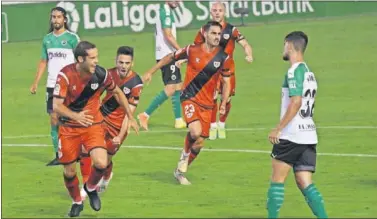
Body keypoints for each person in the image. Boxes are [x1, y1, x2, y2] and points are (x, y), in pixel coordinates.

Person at [53, 41, 139, 217]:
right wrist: (76, 116)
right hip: (69, 128)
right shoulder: (66, 75)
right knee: (69, 172)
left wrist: (130, 117)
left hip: (93, 124)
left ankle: (90, 188)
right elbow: (56, 105)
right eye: (92, 58)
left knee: (101, 163)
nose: (96, 61)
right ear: (80, 59)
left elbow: (117, 92)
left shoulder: (101, 74)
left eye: (96, 57)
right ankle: (77, 201)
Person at [143, 21, 231, 185]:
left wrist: (224, 102)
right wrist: (151, 71)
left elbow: (227, 82)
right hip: (189, 97)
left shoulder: (223, 57)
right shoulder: (192, 50)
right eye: (213, 33)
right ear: (205, 34)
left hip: (208, 105)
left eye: (219, 34)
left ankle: (180, 170)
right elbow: (171, 56)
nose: (216, 37)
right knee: (195, 131)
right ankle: (184, 156)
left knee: (198, 144)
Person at [266, 31, 327, 219]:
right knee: (304, 181)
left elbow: (296, 102)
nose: (283, 49)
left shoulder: (294, 71)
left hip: (291, 135)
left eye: (284, 45)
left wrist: (278, 127)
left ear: (289, 46)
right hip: (309, 135)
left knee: (277, 182)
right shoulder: (309, 73)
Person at [80, 46, 143, 199]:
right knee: (85, 150)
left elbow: (129, 115)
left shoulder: (136, 83)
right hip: (101, 119)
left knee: (106, 161)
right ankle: (86, 186)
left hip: (118, 126)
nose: (123, 66)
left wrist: (120, 137)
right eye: (120, 62)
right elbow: (95, 96)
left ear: (132, 63)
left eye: (127, 63)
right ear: (116, 61)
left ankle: (107, 177)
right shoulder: (107, 75)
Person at [194, 1, 253, 140]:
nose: (217, 12)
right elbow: (195, 47)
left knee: (227, 99)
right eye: (214, 10)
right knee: (212, 98)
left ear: (224, 12)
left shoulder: (231, 30)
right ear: (210, 12)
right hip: (211, 70)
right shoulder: (204, 30)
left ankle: (222, 124)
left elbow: (245, 43)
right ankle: (213, 126)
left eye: (219, 10)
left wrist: (248, 53)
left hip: (228, 69)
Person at [30, 7, 80, 166]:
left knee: (71, 119)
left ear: (64, 19)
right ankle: (59, 155)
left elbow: (80, 61)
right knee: (54, 118)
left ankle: (76, 151)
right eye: (53, 17)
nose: (56, 20)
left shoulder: (72, 38)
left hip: (70, 85)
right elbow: (43, 61)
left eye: (59, 17)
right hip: (52, 85)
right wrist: (36, 82)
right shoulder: (47, 39)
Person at [137, 0, 186, 131]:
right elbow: (168, 35)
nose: (178, 1)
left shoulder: (166, 11)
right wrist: (182, 51)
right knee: (171, 88)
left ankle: (178, 120)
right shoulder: (166, 12)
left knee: (177, 86)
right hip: (167, 54)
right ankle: (145, 115)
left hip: (169, 53)